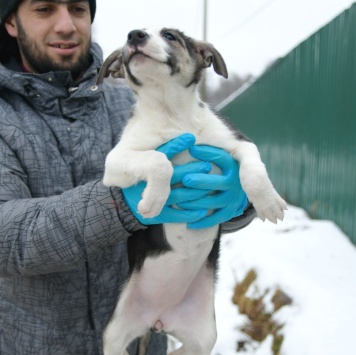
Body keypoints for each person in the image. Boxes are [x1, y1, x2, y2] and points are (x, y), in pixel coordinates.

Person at [0, 0, 256, 354]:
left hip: (146, 341)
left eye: (77, 8)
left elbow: (219, 176)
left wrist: (238, 200)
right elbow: (5, 238)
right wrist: (120, 204)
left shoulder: (138, 95)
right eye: (44, 9)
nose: (66, 25)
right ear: (11, 22)